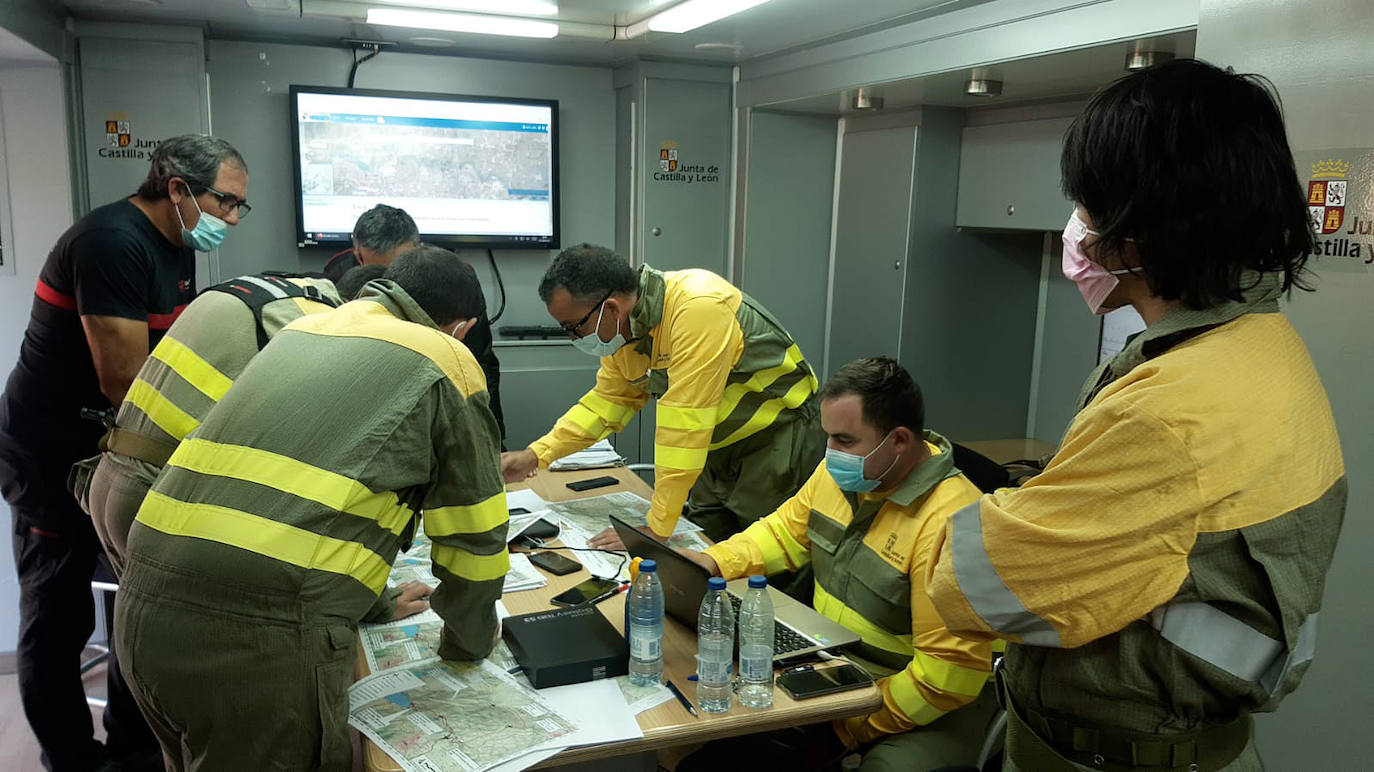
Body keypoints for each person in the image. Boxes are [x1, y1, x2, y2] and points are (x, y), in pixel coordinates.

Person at [926, 59, 1347, 772]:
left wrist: (1006, 512)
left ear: (1139, 230)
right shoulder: (1262, 346)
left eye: (1088, 205)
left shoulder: (1171, 412)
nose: (1078, 228)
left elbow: (966, 587)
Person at [115, 246, 508, 771]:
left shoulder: (305, 329)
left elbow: (302, 496)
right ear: (462, 328)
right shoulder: (446, 359)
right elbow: (474, 535)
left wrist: (373, 603)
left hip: (142, 605)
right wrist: (469, 645)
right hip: (252, 641)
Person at [0, 133, 248, 772]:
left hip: (113, 448)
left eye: (239, 207)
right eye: (225, 203)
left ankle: (133, 751)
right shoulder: (111, 242)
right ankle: (71, 759)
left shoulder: (174, 247)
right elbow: (127, 380)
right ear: (176, 189)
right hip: (51, 454)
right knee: (57, 616)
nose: (231, 219)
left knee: (136, 602)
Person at [678, 358, 997, 772]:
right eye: (827, 437)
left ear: (898, 440)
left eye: (844, 440)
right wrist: (713, 561)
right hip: (839, 670)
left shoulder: (953, 524)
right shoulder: (847, 475)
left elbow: (945, 678)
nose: (830, 453)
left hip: (931, 703)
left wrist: (848, 727)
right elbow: (782, 534)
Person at [502, 245, 825, 543]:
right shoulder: (624, 331)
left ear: (611, 308)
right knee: (702, 552)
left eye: (574, 327)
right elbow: (606, 404)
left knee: (770, 558)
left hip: (776, 442)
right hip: (714, 447)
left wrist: (655, 528)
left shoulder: (698, 308)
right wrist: (537, 455)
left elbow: (682, 431)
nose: (573, 339)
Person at [77, 271, 343, 577]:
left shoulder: (265, 293)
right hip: (157, 496)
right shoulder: (322, 322)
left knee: (144, 620)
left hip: (111, 477)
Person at [324, 204, 505, 439]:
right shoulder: (337, 281)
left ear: (418, 249)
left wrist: (492, 437)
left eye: (402, 266)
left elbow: (480, 360)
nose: (394, 281)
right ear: (358, 256)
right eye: (384, 271)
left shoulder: (454, 277)